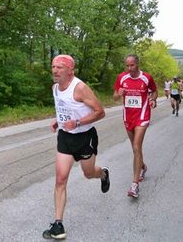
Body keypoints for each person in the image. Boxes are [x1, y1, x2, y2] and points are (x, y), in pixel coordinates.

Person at [43, 54, 110, 240]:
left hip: (84, 137)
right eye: (53, 66)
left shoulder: (80, 88)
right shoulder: (55, 88)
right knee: (60, 180)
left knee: (89, 174)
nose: (55, 70)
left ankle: (103, 174)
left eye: (60, 67)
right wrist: (59, 121)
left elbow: (100, 112)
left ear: (71, 70)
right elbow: (65, 108)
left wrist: (78, 123)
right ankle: (58, 224)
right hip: (65, 137)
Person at [113, 54, 157, 198]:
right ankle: (143, 167)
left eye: (132, 65)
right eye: (127, 65)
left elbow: (155, 92)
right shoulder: (122, 78)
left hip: (142, 116)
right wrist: (118, 94)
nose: (129, 68)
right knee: (134, 148)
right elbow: (114, 96)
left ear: (137, 64)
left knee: (137, 146)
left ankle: (134, 185)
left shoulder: (146, 78)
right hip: (128, 117)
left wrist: (153, 99)